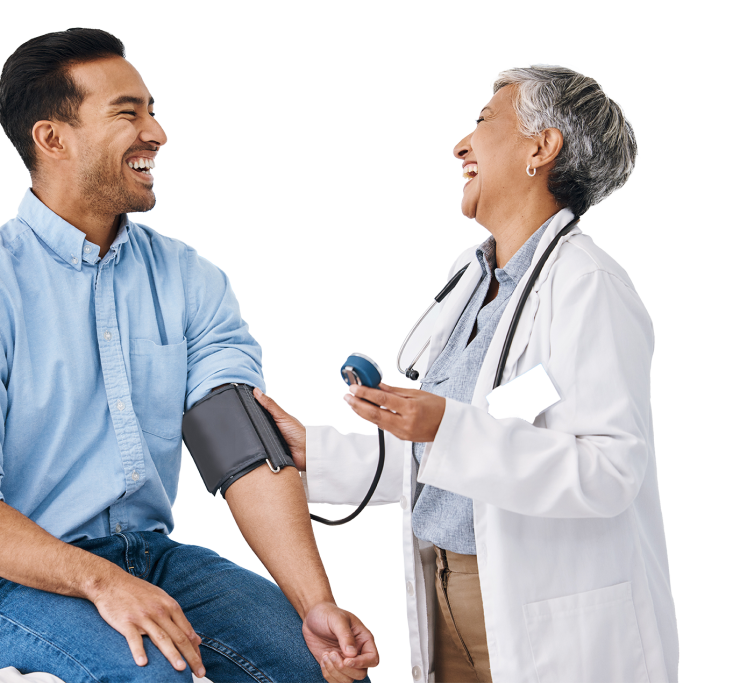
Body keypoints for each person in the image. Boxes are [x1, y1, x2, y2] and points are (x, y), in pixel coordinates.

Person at [0, 28, 378, 683]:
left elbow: (240, 447)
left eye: (153, 111)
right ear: (53, 139)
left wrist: (313, 601)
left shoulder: (191, 279)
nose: (156, 132)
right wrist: (102, 582)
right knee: (158, 676)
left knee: (319, 669)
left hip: (151, 556)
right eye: (128, 113)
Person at [256, 64, 678, 683]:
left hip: (541, 608)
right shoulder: (469, 281)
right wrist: (315, 451)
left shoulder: (589, 286)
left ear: (541, 147)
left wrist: (445, 426)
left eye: (482, 122)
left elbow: (609, 470)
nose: (460, 144)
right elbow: (494, 418)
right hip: (447, 587)